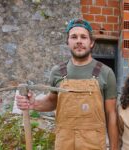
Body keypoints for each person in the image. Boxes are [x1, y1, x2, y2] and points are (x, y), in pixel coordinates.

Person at [16, 18, 119, 150]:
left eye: (83, 37)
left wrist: (114, 148)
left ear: (91, 42)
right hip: (64, 143)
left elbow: (111, 115)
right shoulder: (57, 72)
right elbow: (52, 101)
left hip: (93, 144)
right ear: (68, 42)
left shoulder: (106, 73)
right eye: (74, 37)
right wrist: (33, 103)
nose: (79, 41)